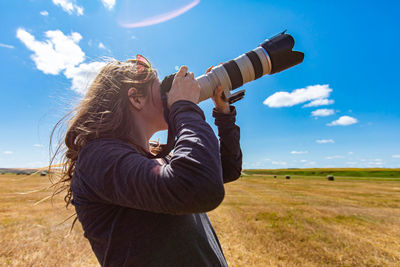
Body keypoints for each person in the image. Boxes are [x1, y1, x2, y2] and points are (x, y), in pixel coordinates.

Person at [51, 55, 242, 266]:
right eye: (160, 89)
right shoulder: (99, 157)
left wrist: (223, 114)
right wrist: (184, 106)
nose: (167, 96)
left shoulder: (154, 158)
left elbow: (227, 169)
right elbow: (200, 186)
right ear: (136, 98)